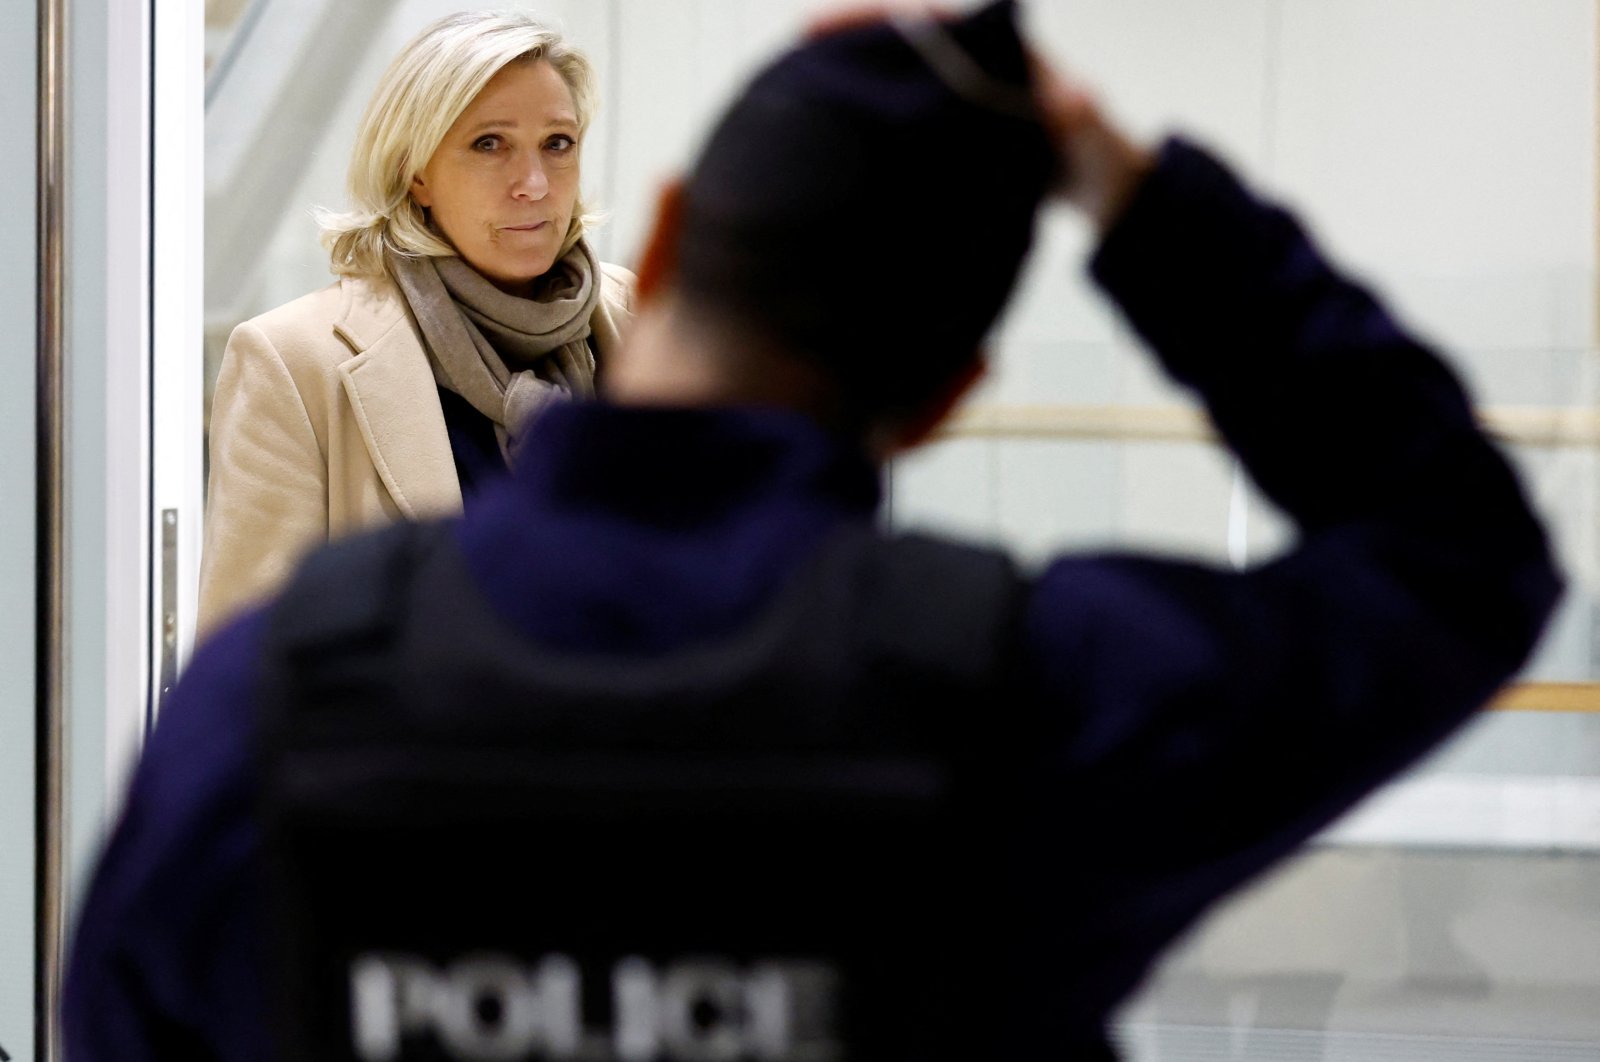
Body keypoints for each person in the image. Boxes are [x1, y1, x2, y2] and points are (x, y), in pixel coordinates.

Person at [66, 3, 1561, 1059]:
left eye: (556, 146)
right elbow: (1458, 555)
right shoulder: (1031, 700)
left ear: (650, 229)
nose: (530, 183)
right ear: (948, 394)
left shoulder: (272, 714)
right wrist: (1136, 197)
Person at [199, 10, 636, 634]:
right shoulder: (293, 360)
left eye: (557, 144)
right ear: (417, 173)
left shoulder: (630, 318)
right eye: (490, 144)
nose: (534, 183)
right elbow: (247, 671)